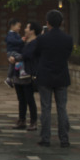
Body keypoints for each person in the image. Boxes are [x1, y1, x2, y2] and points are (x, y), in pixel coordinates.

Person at [26, 10, 73, 147]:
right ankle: (64, 139)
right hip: (62, 76)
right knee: (62, 108)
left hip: (45, 76)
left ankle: (45, 138)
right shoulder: (68, 39)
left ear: (47, 23)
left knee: (46, 108)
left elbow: (35, 53)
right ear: (61, 22)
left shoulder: (42, 39)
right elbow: (67, 54)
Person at [6, 21, 39, 131]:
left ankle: (33, 121)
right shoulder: (23, 42)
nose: (24, 29)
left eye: (27, 27)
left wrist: (15, 58)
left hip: (28, 74)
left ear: (32, 31)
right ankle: (22, 120)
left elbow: (28, 55)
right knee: (21, 99)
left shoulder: (35, 42)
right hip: (18, 73)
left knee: (29, 99)